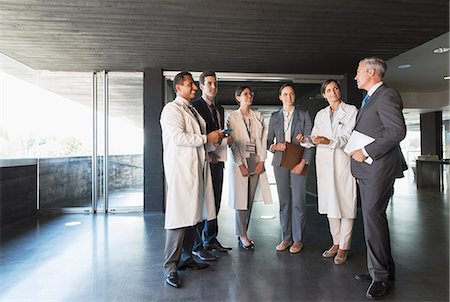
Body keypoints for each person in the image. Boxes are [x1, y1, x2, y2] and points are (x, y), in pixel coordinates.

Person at [160, 71, 224, 288]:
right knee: (179, 219)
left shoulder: (192, 110)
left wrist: (210, 148)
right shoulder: (171, 109)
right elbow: (178, 137)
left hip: (197, 169)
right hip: (182, 171)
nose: (194, 88)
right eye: (190, 85)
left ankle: (186, 258)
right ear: (178, 88)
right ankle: (170, 267)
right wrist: (207, 138)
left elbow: (197, 142)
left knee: (193, 217)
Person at [351, 57, 407, 299]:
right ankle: (382, 270)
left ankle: (380, 277)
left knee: (373, 218)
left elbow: (397, 132)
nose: (355, 77)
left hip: (378, 168)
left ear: (371, 72)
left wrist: (365, 151)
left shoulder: (387, 95)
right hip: (369, 170)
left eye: (358, 72)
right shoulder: (371, 98)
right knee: (374, 219)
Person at [298, 79, 358, 264]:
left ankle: (344, 246)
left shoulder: (351, 111)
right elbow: (315, 137)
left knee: (346, 204)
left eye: (335, 89)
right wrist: (304, 140)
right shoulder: (321, 114)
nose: (333, 92)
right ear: (324, 95)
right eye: (329, 90)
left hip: (342, 162)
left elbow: (348, 137)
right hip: (325, 164)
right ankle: (335, 242)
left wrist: (328, 142)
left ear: (339, 91)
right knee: (331, 204)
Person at [192, 71, 233, 261]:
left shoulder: (220, 108)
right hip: (204, 160)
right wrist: (207, 153)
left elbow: (216, 133)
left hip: (218, 160)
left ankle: (211, 238)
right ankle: (197, 245)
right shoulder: (195, 107)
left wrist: (226, 138)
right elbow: (196, 134)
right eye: (209, 83)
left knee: (215, 199)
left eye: (215, 83)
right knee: (202, 202)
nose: (213, 87)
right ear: (201, 86)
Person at [267, 83, 313, 254]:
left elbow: (310, 143)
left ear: (295, 96)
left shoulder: (303, 115)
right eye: (285, 94)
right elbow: (267, 143)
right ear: (280, 97)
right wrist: (275, 147)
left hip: (298, 160)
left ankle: (298, 240)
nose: (289, 97)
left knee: (299, 202)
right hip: (280, 162)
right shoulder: (274, 117)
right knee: (284, 202)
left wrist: (304, 163)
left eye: (292, 94)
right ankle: (286, 238)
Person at [227, 85, 272, 250]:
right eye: (245, 94)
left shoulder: (258, 116)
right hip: (240, 161)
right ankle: (243, 234)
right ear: (238, 97)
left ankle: (243, 232)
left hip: (255, 159)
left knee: (250, 199)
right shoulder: (232, 117)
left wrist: (262, 161)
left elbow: (263, 139)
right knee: (241, 200)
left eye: (251, 94)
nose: (249, 96)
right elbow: (232, 144)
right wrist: (239, 164)